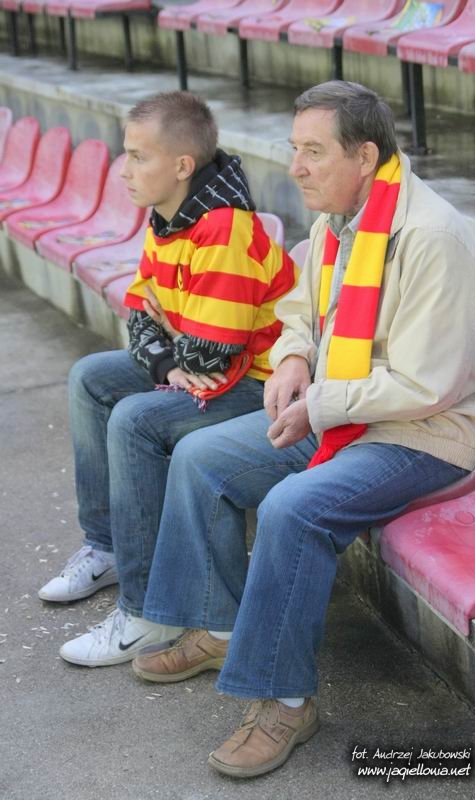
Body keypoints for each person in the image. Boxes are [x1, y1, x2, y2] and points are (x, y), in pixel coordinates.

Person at [132, 80, 475, 778]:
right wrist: (296, 358)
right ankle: (218, 627)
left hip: (423, 433)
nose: (295, 167)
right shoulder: (338, 220)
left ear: (364, 157)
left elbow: (426, 385)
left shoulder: (431, 237)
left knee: (293, 508)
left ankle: (285, 702)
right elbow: (299, 308)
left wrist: (318, 403)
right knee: (201, 457)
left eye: (313, 151)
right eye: (294, 148)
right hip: (341, 406)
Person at [38, 90, 297, 667]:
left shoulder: (224, 230)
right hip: (210, 372)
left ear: (182, 165)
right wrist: (170, 359)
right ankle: (107, 548)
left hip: (261, 384)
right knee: (91, 377)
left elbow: (213, 355)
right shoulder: (169, 217)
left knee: (136, 419)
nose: (123, 170)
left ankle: (146, 610)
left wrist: (175, 346)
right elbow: (138, 316)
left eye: (138, 157)